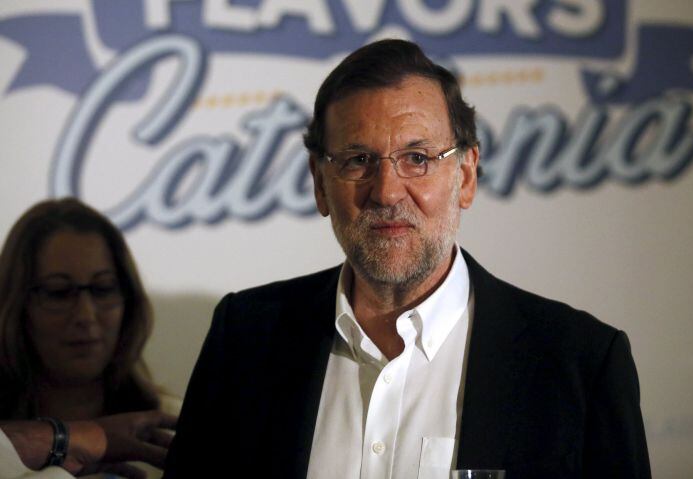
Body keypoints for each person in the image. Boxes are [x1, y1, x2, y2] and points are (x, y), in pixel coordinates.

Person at [164, 39, 651, 478]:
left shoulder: (581, 364)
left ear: (465, 176)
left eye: (417, 158)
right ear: (319, 183)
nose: (387, 190)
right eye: (357, 160)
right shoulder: (244, 339)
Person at [0, 198, 178, 478]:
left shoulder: (176, 426)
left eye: (103, 288)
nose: (86, 314)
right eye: (58, 292)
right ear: (16, 305)